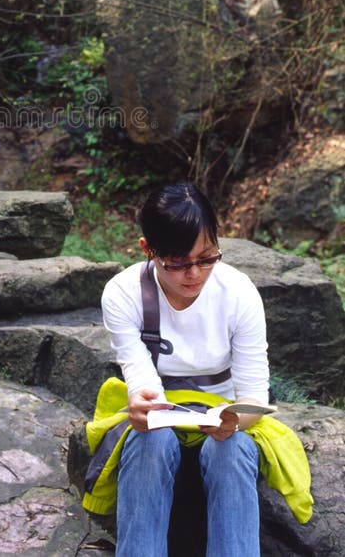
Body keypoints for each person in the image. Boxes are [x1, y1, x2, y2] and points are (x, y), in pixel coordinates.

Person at [101, 181, 269, 557]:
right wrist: (143, 407)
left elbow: (255, 393)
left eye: (207, 258)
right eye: (177, 262)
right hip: (161, 414)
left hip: (221, 415)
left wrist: (235, 421)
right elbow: (142, 380)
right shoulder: (123, 293)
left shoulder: (239, 294)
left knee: (232, 449)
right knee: (150, 441)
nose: (194, 274)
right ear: (148, 250)